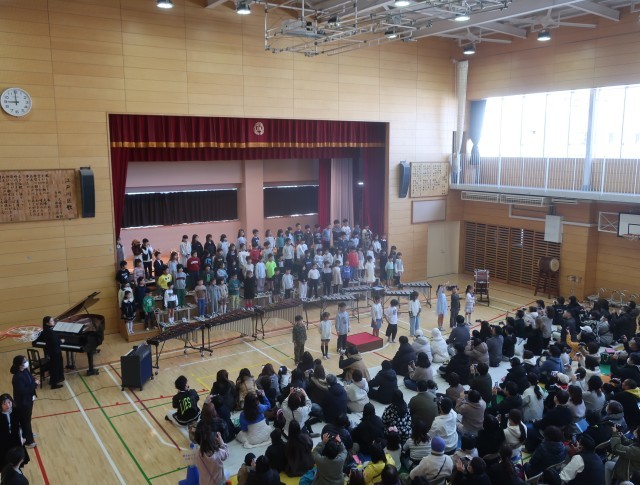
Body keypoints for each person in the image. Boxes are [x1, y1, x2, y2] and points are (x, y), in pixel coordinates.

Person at [9, 355, 38, 450]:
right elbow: (23, 391)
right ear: (19, 365)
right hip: (23, 403)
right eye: (24, 361)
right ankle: (29, 441)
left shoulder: (25, 370)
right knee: (25, 421)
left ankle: (27, 434)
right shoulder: (17, 377)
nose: (26, 362)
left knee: (27, 419)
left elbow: (30, 378)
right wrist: (35, 384)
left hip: (29, 400)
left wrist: (33, 380)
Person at [40, 316, 64, 389]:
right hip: (55, 351)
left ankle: (55, 380)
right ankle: (54, 384)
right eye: (51, 321)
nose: (53, 321)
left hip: (51, 351)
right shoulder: (50, 331)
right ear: (47, 323)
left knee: (55, 366)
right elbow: (55, 342)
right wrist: (61, 341)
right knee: (55, 367)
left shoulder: (46, 330)